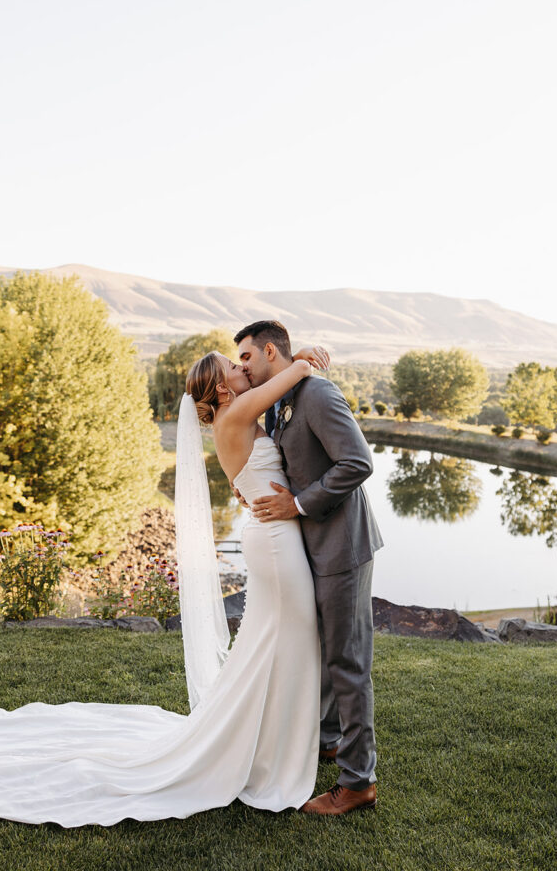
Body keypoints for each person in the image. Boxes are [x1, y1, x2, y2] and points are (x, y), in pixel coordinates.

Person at [0, 349, 330, 825]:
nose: (244, 370)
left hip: (273, 538)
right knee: (290, 642)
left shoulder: (232, 415)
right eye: (235, 368)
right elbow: (297, 374)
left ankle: (265, 744)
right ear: (221, 389)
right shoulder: (237, 411)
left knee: (272, 646)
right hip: (277, 546)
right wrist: (302, 359)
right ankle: (271, 758)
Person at [234, 320, 383, 816]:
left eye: (247, 358)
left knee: (347, 661)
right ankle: (327, 739)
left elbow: (357, 462)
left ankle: (358, 782)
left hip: (341, 545)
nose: (242, 368)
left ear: (270, 351)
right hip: (309, 546)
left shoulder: (317, 394)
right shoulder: (279, 399)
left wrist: (297, 504)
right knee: (322, 651)